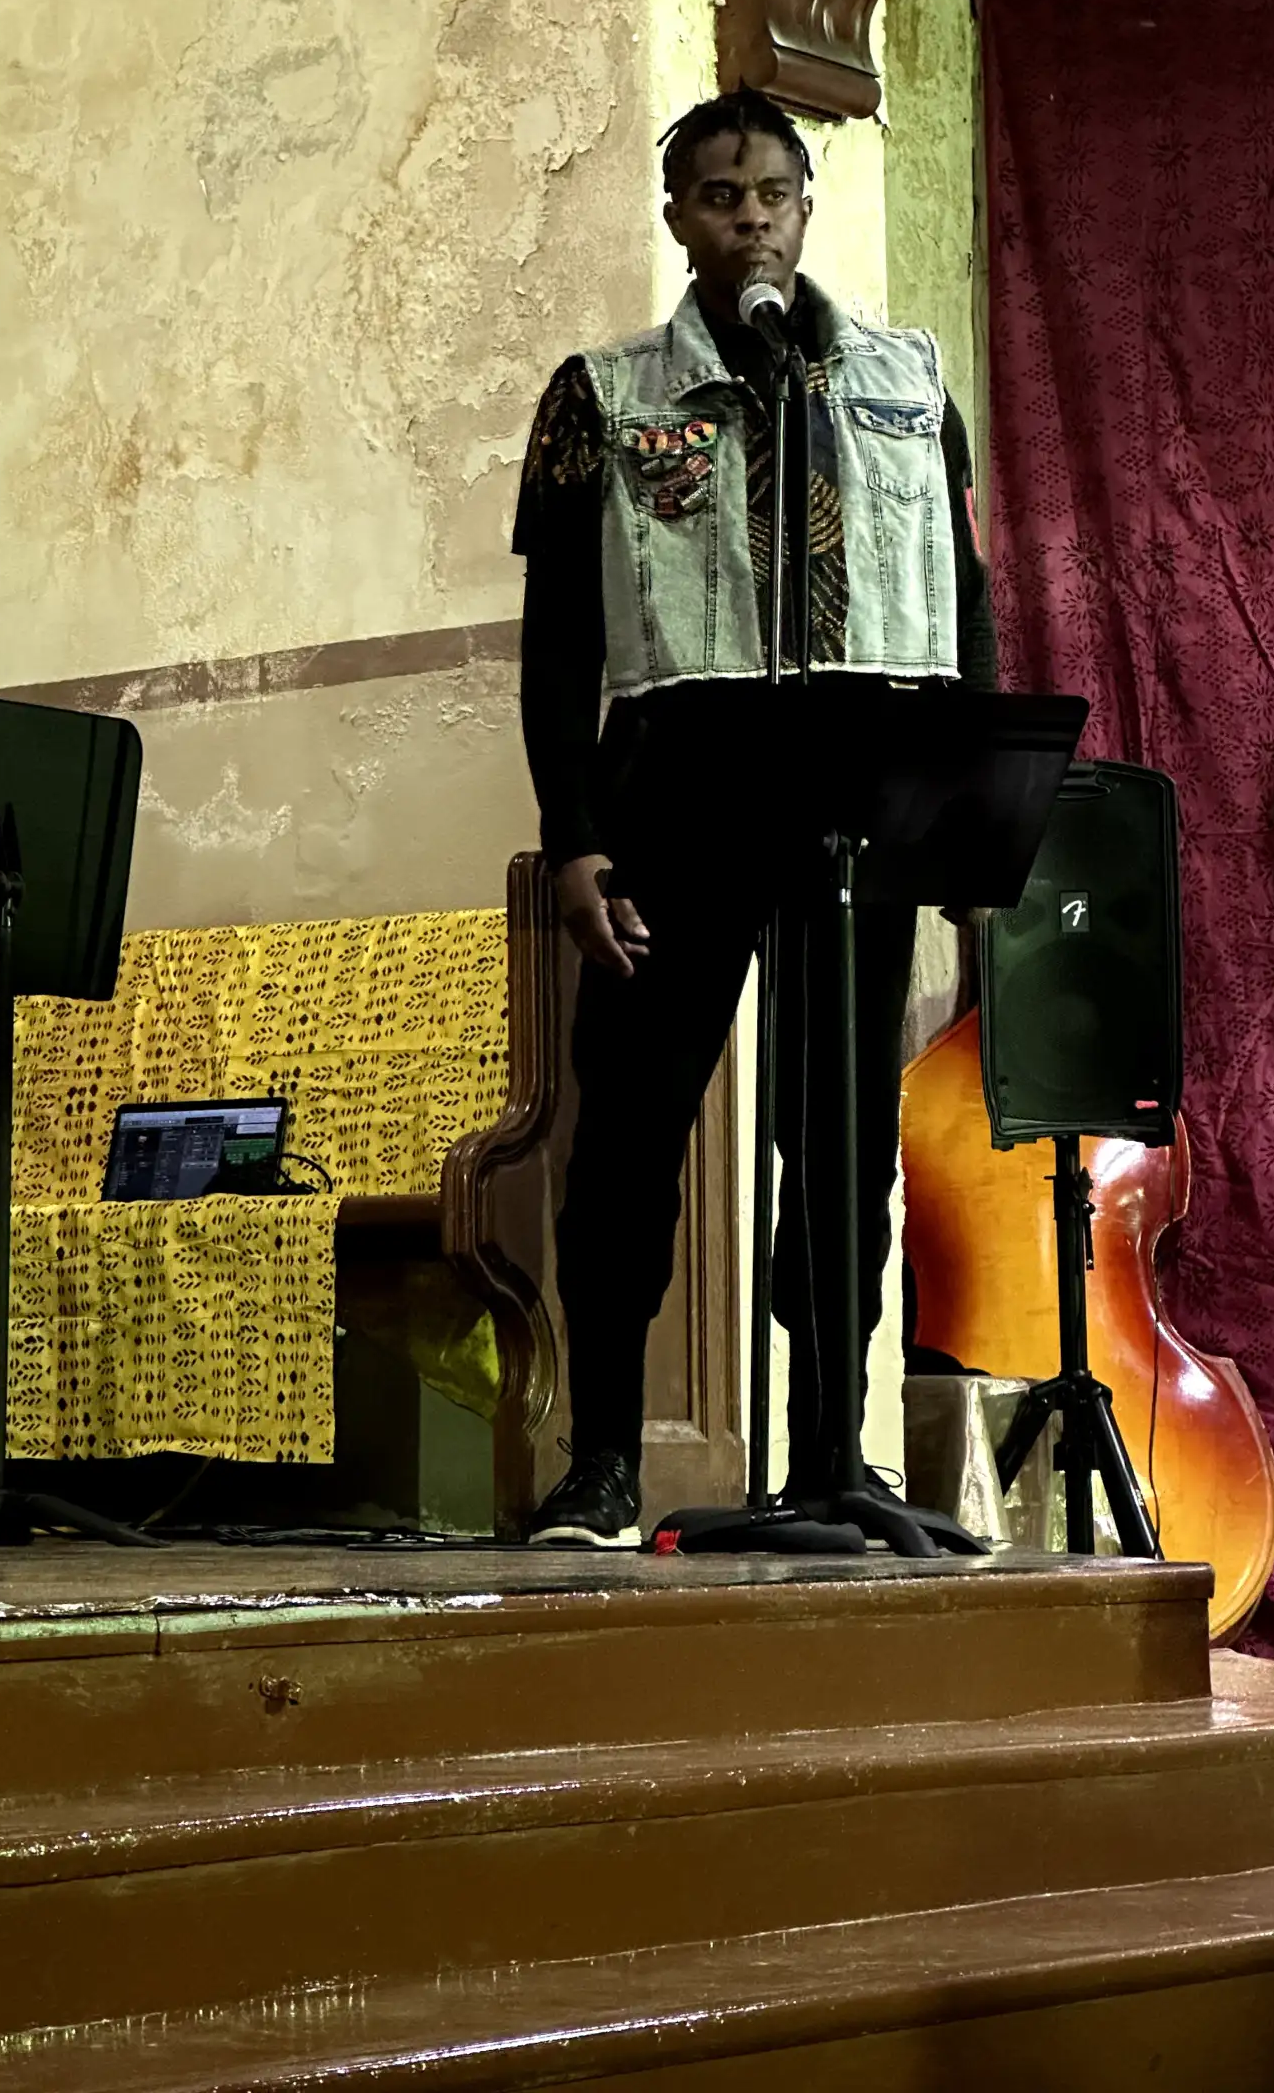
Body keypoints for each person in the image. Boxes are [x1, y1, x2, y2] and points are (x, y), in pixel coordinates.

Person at [512, 87, 998, 1547]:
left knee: (841, 1146)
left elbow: (965, 601)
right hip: (674, 802)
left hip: (858, 810)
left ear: (803, 208)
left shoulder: (906, 382)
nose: (750, 219)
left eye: (772, 194)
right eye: (720, 197)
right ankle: (603, 1461)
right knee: (628, 1136)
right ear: (680, 220)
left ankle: (831, 1455)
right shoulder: (603, 395)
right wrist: (575, 835)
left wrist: (968, 809)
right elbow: (558, 645)